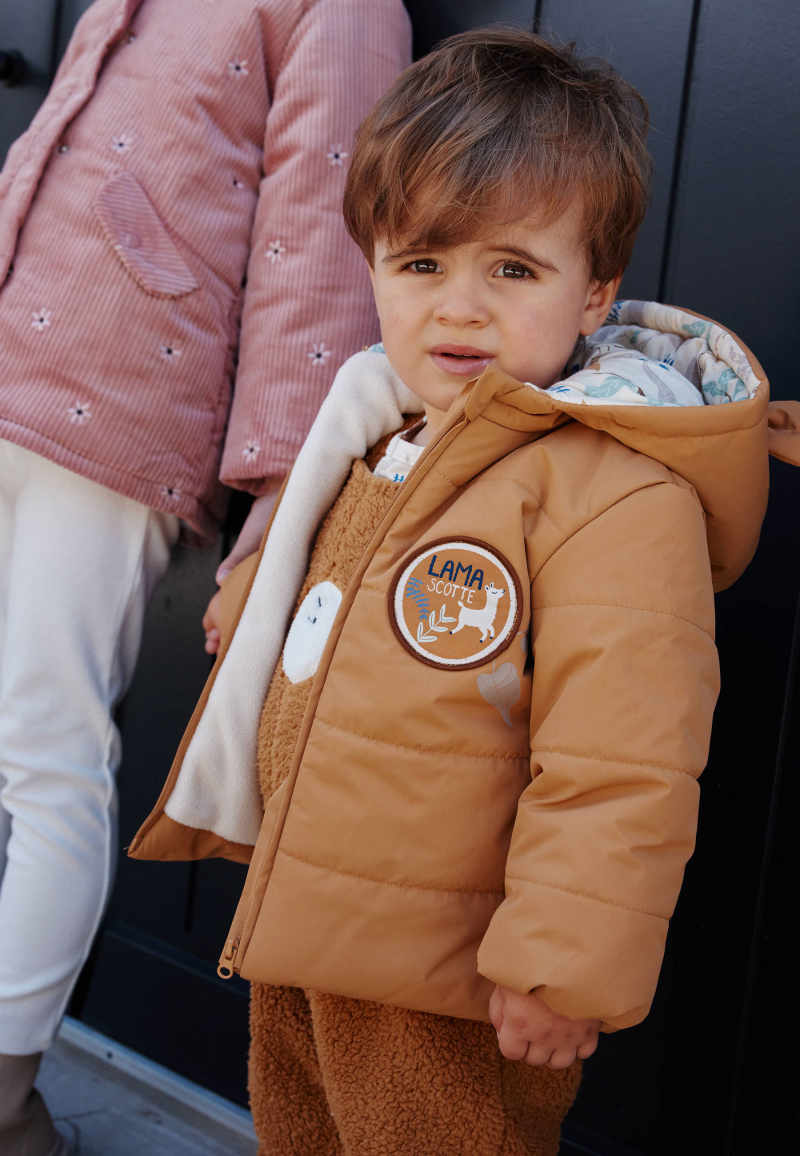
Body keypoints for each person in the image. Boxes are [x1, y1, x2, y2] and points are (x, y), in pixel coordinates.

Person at [131, 27, 799, 1155]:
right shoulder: (385, 428)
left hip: (457, 975)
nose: (459, 308)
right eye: (421, 264)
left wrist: (558, 964)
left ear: (594, 292)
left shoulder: (613, 490)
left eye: (512, 269)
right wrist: (254, 595)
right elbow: (337, 593)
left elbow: (622, 757)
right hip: (312, 923)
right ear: (375, 266)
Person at [0, 0, 410, 1151]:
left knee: (45, 749)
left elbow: (323, 249)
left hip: (114, 410)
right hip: (9, 372)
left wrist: (281, 506)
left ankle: (4, 1088)